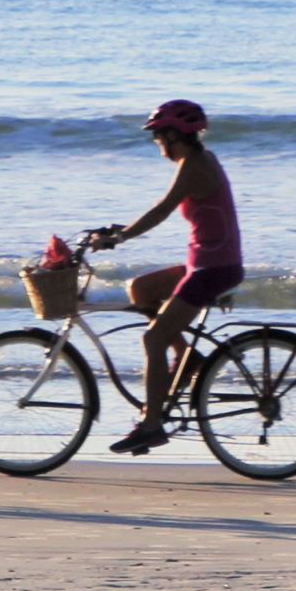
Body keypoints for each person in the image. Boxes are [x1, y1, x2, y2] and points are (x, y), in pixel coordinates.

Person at [86, 99, 244, 456]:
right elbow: (161, 209)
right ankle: (188, 359)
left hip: (213, 269)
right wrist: (119, 230)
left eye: (159, 135)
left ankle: (152, 425)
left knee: (153, 340)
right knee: (140, 288)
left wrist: (120, 237)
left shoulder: (194, 164)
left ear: (177, 135)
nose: (156, 142)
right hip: (203, 263)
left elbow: (161, 209)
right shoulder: (197, 161)